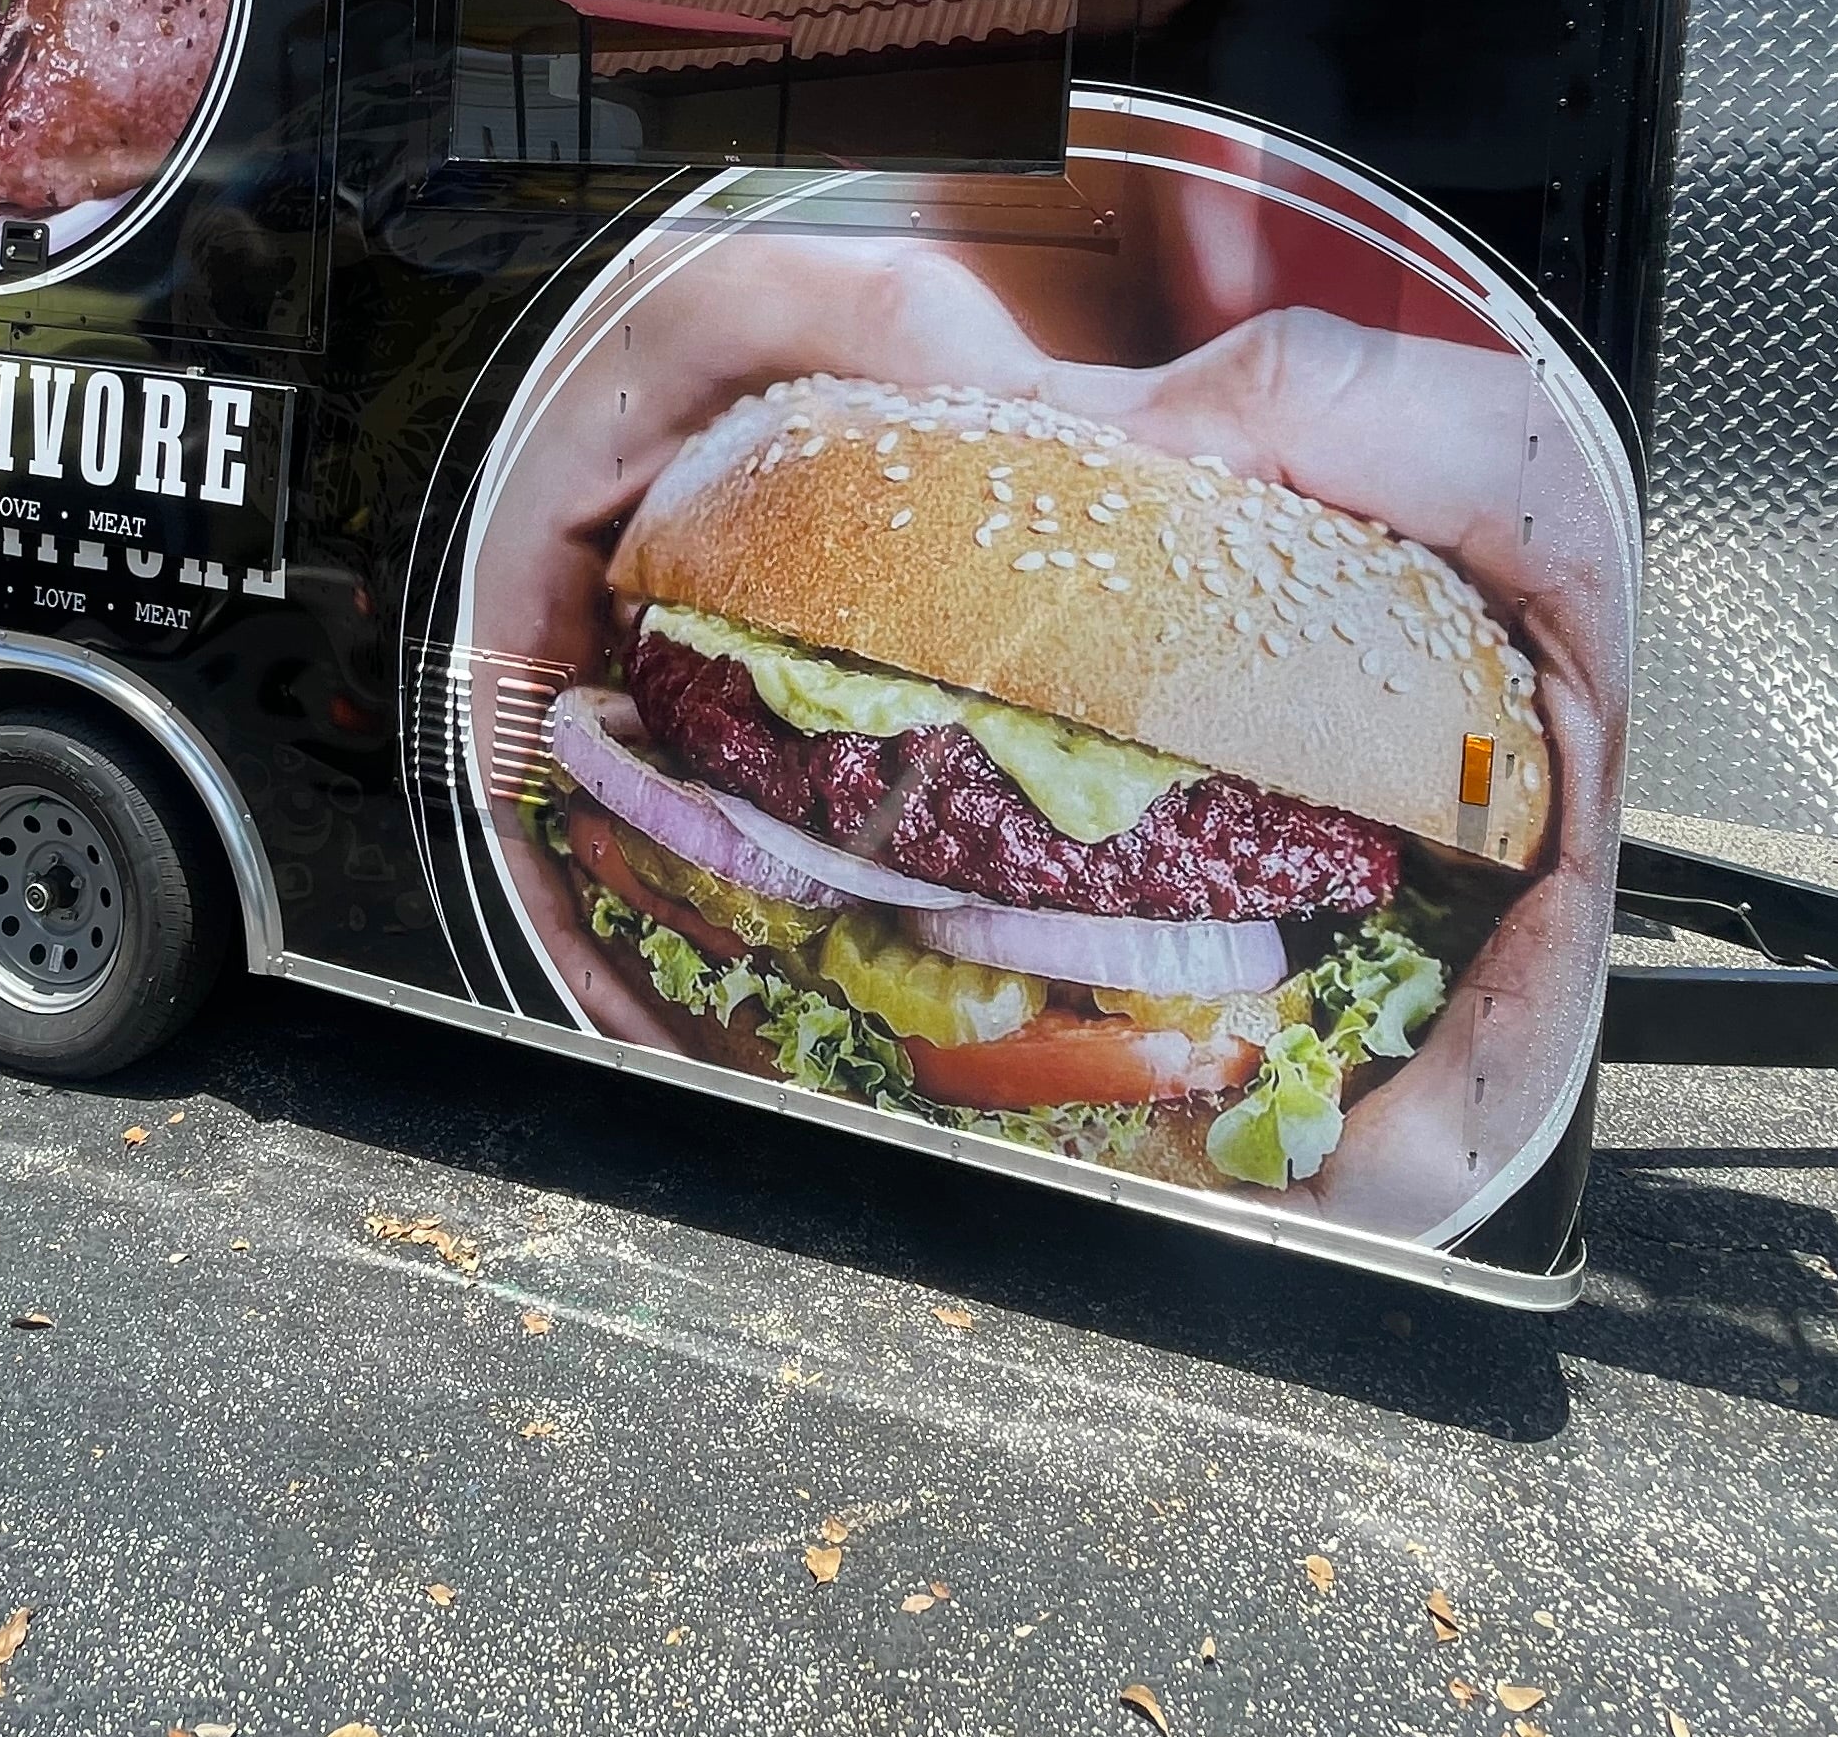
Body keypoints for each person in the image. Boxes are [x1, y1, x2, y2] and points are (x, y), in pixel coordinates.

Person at [465, 194, 1631, 1251]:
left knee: (1447, 794)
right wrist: (703, 267)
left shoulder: (1460, 682)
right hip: (949, 397)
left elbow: (1488, 799)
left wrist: (1596, 520)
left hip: (1477, 617)